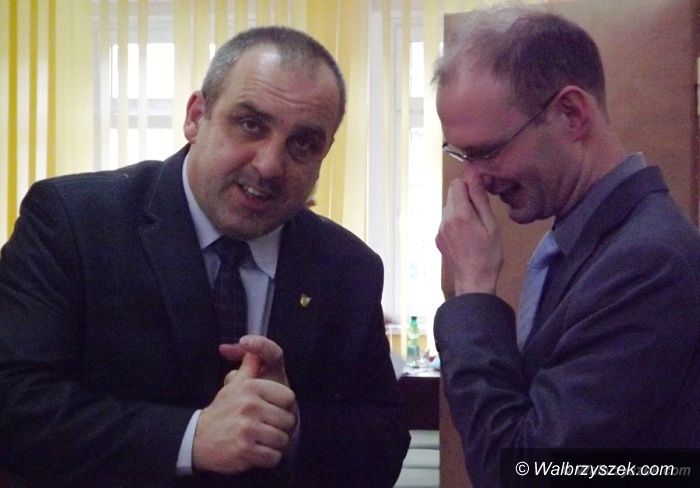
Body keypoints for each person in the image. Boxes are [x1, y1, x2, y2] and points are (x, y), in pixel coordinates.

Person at [0, 26, 409, 487]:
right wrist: (190, 438)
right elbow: (15, 405)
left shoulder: (347, 267)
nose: (269, 165)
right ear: (196, 117)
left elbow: (383, 443)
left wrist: (289, 426)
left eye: (303, 143)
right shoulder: (74, 221)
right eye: (251, 124)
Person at [432, 7, 700, 487]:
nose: (475, 179)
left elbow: (522, 473)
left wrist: (473, 291)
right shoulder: (594, 244)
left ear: (572, 114)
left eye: (487, 152)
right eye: (462, 155)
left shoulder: (648, 264)